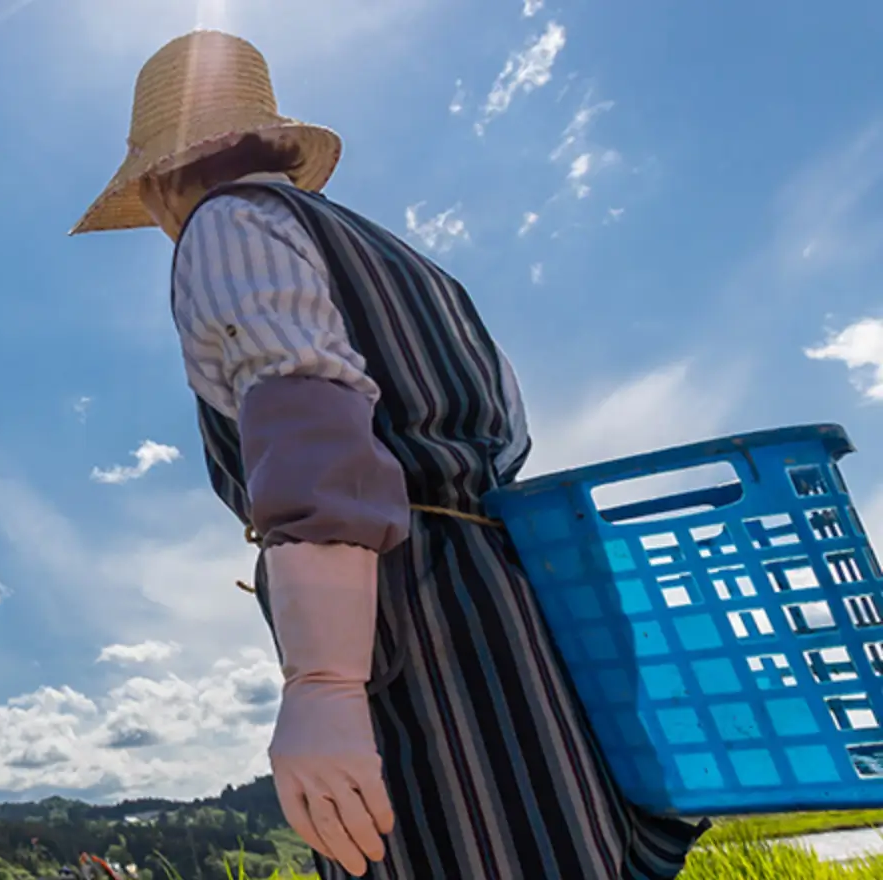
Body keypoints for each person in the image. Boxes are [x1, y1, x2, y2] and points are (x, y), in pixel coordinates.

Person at [68, 30, 708, 879]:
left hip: (408, 631)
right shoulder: (421, 270)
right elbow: (505, 442)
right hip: (510, 610)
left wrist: (324, 680)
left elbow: (313, 426)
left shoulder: (224, 228)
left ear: (159, 184)